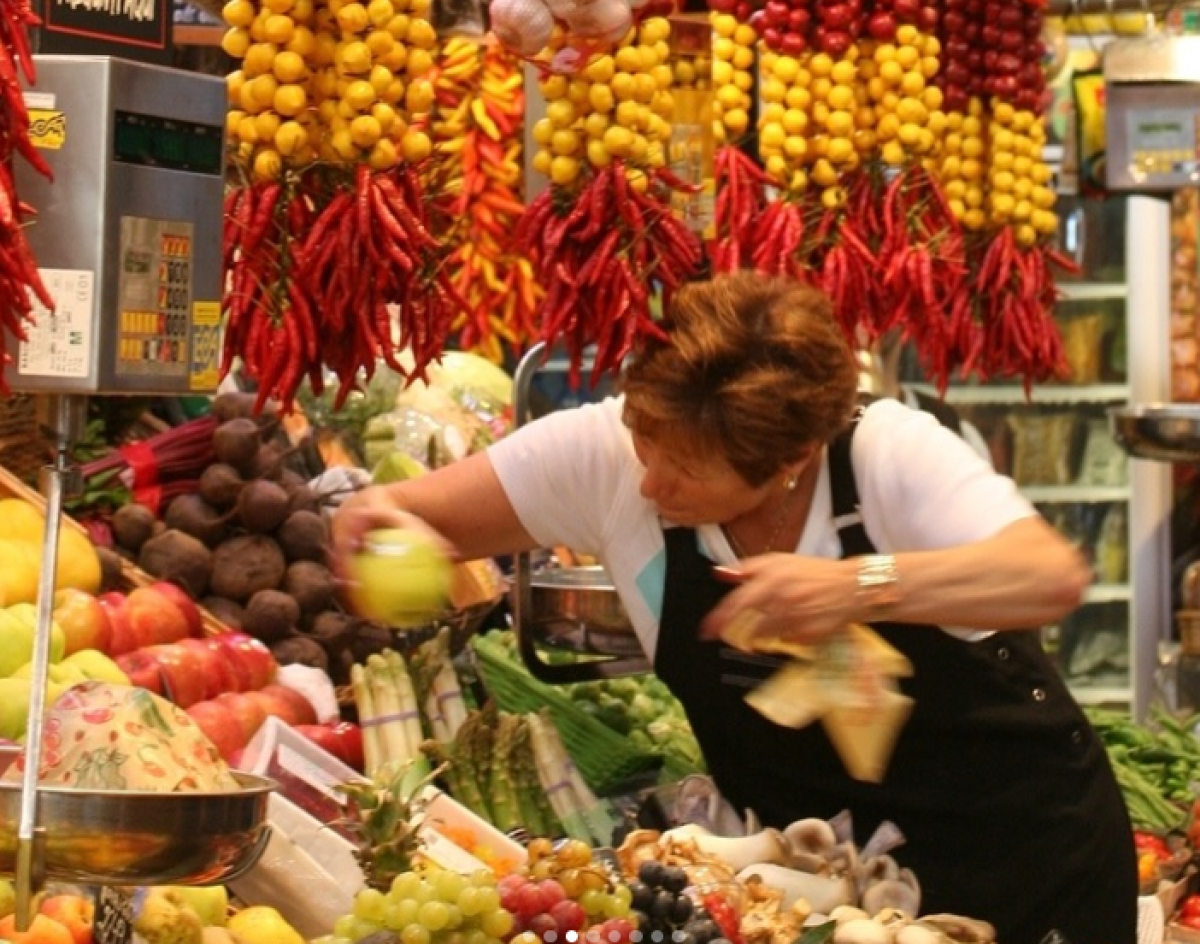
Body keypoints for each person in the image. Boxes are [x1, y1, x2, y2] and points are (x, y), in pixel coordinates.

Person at [331, 270, 1137, 944]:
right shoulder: (613, 453)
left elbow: (1047, 575)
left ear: (791, 460)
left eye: (684, 470)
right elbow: (412, 514)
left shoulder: (887, 455)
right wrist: (375, 524)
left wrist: (857, 585)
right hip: (821, 895)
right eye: (644, 444)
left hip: (1026, 867)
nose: (649, 484)